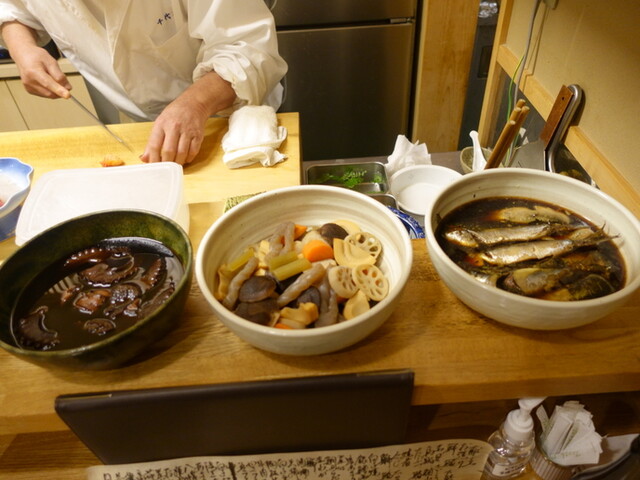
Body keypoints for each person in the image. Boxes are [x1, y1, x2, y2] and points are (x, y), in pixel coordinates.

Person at [0, 0, 287, 165]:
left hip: (239, 122)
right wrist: (22, 48)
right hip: (139, 125)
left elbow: (246, 46)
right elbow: (12, 7)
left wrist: (196, 104)